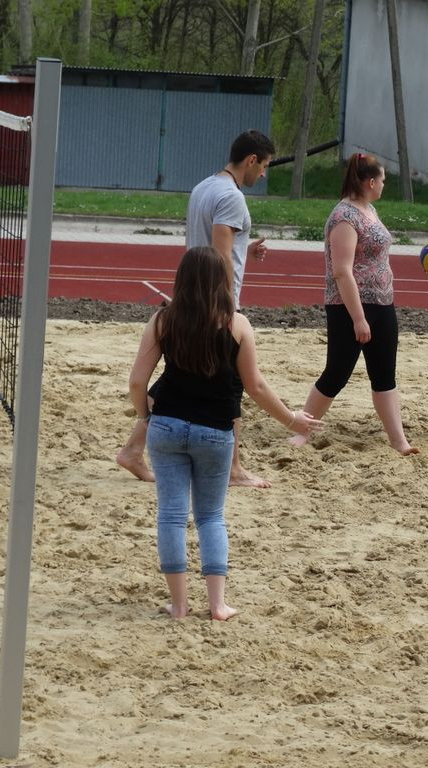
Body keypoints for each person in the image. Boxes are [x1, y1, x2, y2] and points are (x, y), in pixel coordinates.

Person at [128, 246, 321, 620]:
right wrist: (292, 420)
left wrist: (145, 415)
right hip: (216, 432)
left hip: (166, 426)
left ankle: (179, 605)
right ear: (222, 281)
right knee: (211, 516)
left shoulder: (163, 321)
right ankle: (217, 605)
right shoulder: (237, 324)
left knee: (170, 515)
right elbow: (257, 387)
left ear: (181, 280)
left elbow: (138, 380)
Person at [119, 129, 276, 487]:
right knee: (230, 384)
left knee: (178, 380)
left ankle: (132, 448)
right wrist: (228, 310)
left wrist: (245, 252)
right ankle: (234, 469)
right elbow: (220, 252)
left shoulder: (204, 186)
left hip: (192, 293)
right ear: (251, 160)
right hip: (213, 303)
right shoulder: (231, 197)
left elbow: (210, 244)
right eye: (264, 165)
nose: (263, 174)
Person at [288, 152, 417, 455]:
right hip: (350, 306)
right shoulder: (344, 216)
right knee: (337, 373)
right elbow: (342, 271)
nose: (384, 185)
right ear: (371, 181)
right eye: (383, 179)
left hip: (382, 304)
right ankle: (302, 430)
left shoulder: (368, 209)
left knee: (384, 374)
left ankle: (399, 441)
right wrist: (359, 318)